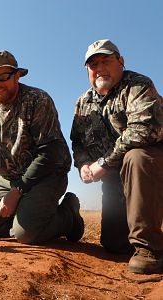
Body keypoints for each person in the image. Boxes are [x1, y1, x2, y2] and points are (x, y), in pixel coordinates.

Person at [0, 50, 84, 245]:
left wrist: (17, 192)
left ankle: (68, 215)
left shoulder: (37, 99)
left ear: (17, 75)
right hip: (8, 178)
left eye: (3, 77)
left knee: (26, 234)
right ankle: (27, 215)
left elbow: (49, 152)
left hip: (46, 176)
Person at [70, 39, 163, 274]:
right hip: (116, 178)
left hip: (150, 168)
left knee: (137, 156)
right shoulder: (83, 102)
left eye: (106, 61)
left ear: (121, 62)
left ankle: (150, 250)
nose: (99, 68)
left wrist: (103, 163)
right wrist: (82, 164)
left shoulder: (138, 85)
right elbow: (78, 141)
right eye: (93, 65)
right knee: (114, 244)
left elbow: (143, 130)